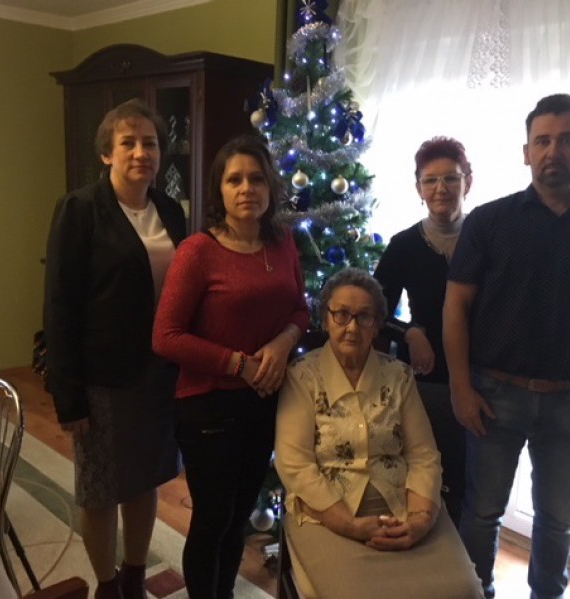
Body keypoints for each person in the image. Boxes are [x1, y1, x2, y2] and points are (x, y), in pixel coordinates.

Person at [444, 93, 570, 599]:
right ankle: (476, 593)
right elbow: (456, 307)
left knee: (557, 521)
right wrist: (461, 388)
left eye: (566, 140)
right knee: (482, 513)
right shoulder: (489, 222)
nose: (552, 151)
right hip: (493, 396)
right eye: (542, 141)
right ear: (526, 152)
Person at [152, 134, 310, 598]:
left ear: (270, 187)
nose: (246, 189)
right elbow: (165, 336)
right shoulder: (198, 251)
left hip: (264, 402)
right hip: (210, 407)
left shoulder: (282, 243)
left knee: (239, 516)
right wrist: (238, 364)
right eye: (234, 179)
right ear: (219, 190)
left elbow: (300, 310)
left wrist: (283, 342)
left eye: (256, 179)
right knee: (213, 521)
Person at [44, 99, 187, 599]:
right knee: (101, 490)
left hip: (160, 374)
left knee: (145, 479)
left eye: (150, 143)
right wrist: (68, 397)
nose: (140, 152)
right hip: (102, 378)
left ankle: (133, 575)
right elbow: (59, 304)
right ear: (107, 153)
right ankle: (107, 586)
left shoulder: (170, 210)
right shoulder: (80, 209)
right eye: (128, 143)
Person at [275, 268, 483, 599]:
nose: (352, 327)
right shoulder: (302, 377)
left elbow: (423, 454)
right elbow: (295, 465)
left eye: (364, 317)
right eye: (341, 314)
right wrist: (349, 525)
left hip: (402, 506)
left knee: (464, 591)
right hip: (328, 515)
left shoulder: (398, 376)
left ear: (377, 325)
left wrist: (420, 520)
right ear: (326, 319)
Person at [373, 136, 472, 526]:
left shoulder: (486, 238)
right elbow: (374, 310)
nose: (440, 188)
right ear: (418, 188)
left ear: (467, 182)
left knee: (474, 490)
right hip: (428, 382)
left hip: (484, 379)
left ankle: (468, 563)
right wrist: (410, 332)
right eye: (430, 180)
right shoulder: (404, 246)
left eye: (451, 178)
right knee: (430, 479)